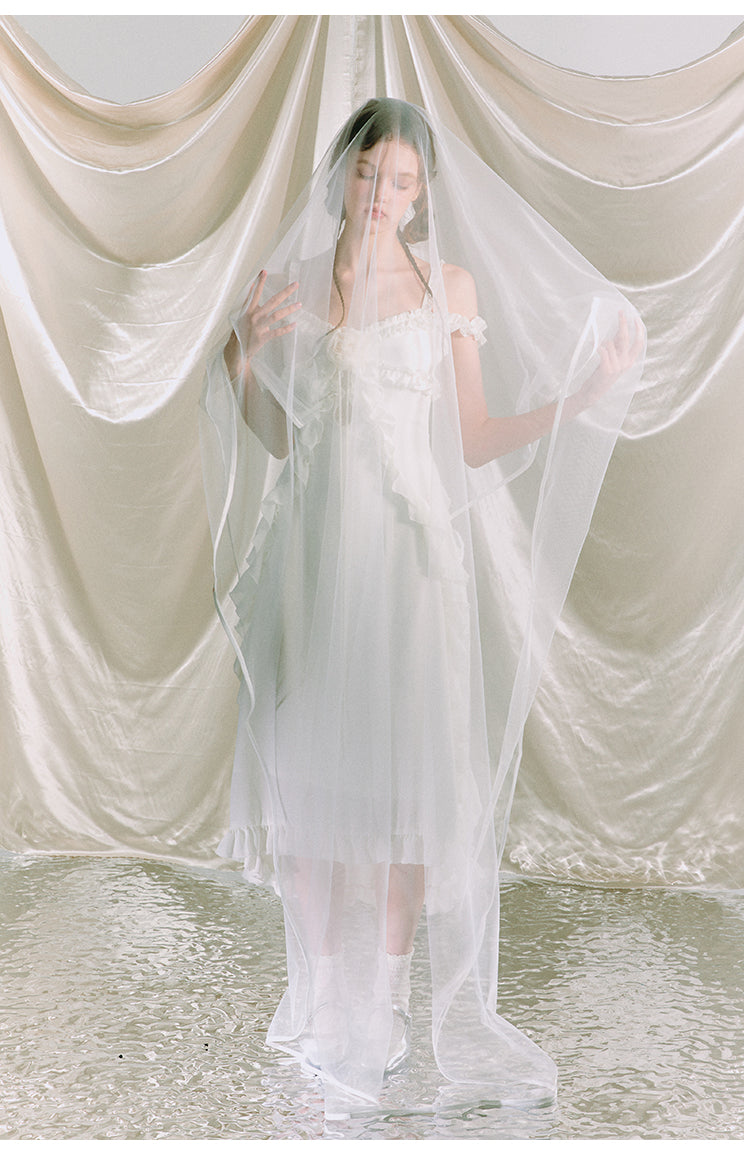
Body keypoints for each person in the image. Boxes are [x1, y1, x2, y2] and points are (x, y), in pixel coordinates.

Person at [201, 97, 643, 1118]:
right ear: (342, 173)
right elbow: (279, 436)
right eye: (368, 173)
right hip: (311, 551)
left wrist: (582, 397)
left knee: (406, 781)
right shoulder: (295, 282)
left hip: (405, 555)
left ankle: (391, 1002)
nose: (381, 194)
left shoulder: (449, 287)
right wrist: (239, 359)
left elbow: (475, 437)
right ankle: (324, 997)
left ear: (422, 195)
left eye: (401, 181)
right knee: (305, 775)